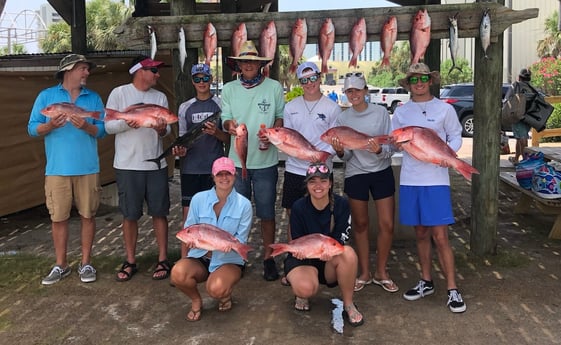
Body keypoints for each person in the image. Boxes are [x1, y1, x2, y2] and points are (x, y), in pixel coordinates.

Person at [391, 63, 466, 313]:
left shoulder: (444, 109)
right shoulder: (401, 112)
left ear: (430, 80)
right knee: (421, 234)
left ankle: (452, 289)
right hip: (411, 180)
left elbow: (455, 135)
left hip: (436, 181)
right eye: (414, 80)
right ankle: (426, 281)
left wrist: (448, 154)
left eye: (424, 78)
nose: (419, 83)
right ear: (408, 84)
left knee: (441, 236)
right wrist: (397, 145)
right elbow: (393, 142)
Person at [28, 54, 106, 285]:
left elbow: (102, 130)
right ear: (68, 71)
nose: (87, 73)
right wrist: (49, 125)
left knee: (88, 215)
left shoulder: (93, 98)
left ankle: (86, 263)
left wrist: (87, 127)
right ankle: (60, 265)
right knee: (58, 218)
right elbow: (32, 128)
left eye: (87, 69)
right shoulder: (46, 97)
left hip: (88, 167)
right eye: (83, 69)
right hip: (56, 169)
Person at [221, 40, 285, 281]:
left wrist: (272, 136)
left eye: (253, 61)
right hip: (237, 163)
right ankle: (239, 257)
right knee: (238, 213)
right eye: (244, 61)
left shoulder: (274, 87)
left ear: (260, 65)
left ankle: (269, 259)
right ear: (237, 65)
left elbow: (279, 118)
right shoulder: (228, 89)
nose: (248, 65)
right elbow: (225, 120)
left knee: (267, 213)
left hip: (266, 162)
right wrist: (231, 127)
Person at [329, 72, 398, 294]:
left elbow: (390, 147)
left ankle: (382, 272)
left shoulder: (380, 113)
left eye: (357, 90)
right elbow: (347, 157)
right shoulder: (342, 118)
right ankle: (365, 273)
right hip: (356, 174)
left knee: (387, 223)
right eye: (349, 91)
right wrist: (340, 151)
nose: (354, 94)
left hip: (381, 172)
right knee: (360, 224)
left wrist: (380, 151)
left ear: (366, 91)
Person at [105, 55, 172, 282]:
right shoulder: (119, 93)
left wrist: (161, 130)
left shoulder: (160, 97)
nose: (157, 75)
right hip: (127, 164)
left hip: (155, 163)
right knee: (130, 214)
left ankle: (163, 258)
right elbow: (109, 125)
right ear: (140, 71)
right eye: (154, 70)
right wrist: (127, 122)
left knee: (159, 212)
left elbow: (167, 131)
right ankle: (130, 260)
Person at [170, 157, 253, 322]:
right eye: (219, 174)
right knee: (177, 273)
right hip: (200, 257)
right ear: (213, 176)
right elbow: (189, 227)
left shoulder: (244, 205)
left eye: (228, 174)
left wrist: (232, 245)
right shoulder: (198, 199)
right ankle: (195, 300)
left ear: (234, 175)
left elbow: (240, 239)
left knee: (216, 289)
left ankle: (224, 294)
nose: (224, 178)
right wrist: (189, 248)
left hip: (228, 259)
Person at [283, 162, 363, 327]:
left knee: (348, 253)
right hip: (305, 259)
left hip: (329, 260)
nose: (318, 186)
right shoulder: (298, 206)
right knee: (305, 289)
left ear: (330, 183)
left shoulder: (342, 204)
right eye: (313, 181)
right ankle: (300, 291)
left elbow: (342, 237)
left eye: (323, 181)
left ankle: (348, 304)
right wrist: (298, 252)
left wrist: (329, 253)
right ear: (307, 185)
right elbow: (297, 240)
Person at [282, 61, 340, 240]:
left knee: (323, 214)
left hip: (322, 170)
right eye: (304, 80)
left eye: (313, 78)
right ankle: (294, 256)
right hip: (294, 169)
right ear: (300, 83)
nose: (309, 83)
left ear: (320, 77)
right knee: (294, 215)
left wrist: (320, 157)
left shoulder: (333, 108)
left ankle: (322, 256)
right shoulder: (290, 107)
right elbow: (288, 140)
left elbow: (335, 139)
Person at [172, 63, 228, 229]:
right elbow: (182, 139)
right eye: (197, 78)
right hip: (190, 169)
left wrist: (216, 132)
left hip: (214, 170)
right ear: (192, 81)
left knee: (216, 213)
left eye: (205, 78)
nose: (202, 82)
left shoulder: (221, 105)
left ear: (211, 79)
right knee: (189, 215)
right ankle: (189, 254)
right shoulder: (185, 107)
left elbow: (228, 139)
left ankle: (213, 253)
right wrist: (180, 151)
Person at [506, 68, 534, 165]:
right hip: (529, 117)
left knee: (522, 138)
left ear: (519, 77)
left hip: (517, 116)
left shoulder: (515, 86)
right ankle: (516, 159)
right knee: (520, 137)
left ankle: (525, 161)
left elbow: (507, 100)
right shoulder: (532, 88)